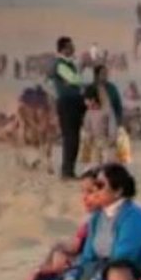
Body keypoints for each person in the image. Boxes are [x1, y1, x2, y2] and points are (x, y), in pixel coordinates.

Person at [55, 163, 141, 280]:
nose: (95, 189)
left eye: (100, 185)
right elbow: (87, 257)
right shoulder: (97, 217)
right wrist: (70, 279)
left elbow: (122, 262)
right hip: (101, 270)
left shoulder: (133, 218)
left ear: (118, 191)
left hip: (130, 276)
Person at [50, 36, 85, 180]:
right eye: (70, 47)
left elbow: (74, 81)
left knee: (74, 137)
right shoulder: (60, 65)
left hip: (74, 101)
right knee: (70, 137)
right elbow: (75, 79)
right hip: (67, 102)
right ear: (63, 49)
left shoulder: (68, 64)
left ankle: (70, 170)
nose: (73, 49)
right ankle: (66, 171)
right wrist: (77, 77)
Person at [80, 87, 117, 168]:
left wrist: (111, 139)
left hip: (106, 142)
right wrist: (88, 136)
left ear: (93, 99)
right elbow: (87, 127)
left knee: (107, 164)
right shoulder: (88, 112)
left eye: (87, 100)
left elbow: (112, 126)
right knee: (95, 165)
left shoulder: (107, 110)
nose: (85, 102)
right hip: (94, 143)